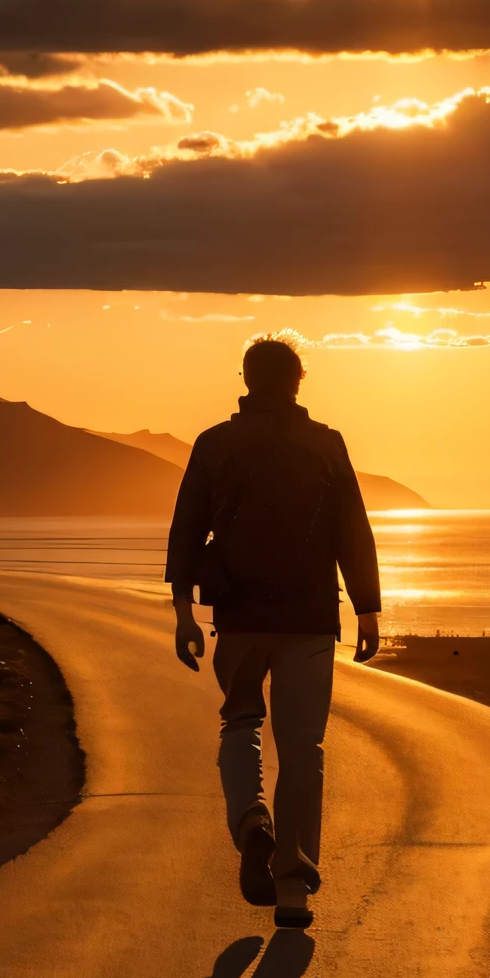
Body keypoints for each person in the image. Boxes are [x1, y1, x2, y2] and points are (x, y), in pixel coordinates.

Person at [166, 335, 381, 931]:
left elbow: (186, 531)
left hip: (237, 614)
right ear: (298, 381)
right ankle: (292, 889)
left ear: (244, 377)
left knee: (240, 723)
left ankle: (251, 826)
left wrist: (184, 612)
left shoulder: (214, 444)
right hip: (309, 617)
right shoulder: (326, 445)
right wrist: (367, 609)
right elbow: (352, 531)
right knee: (304, 749)